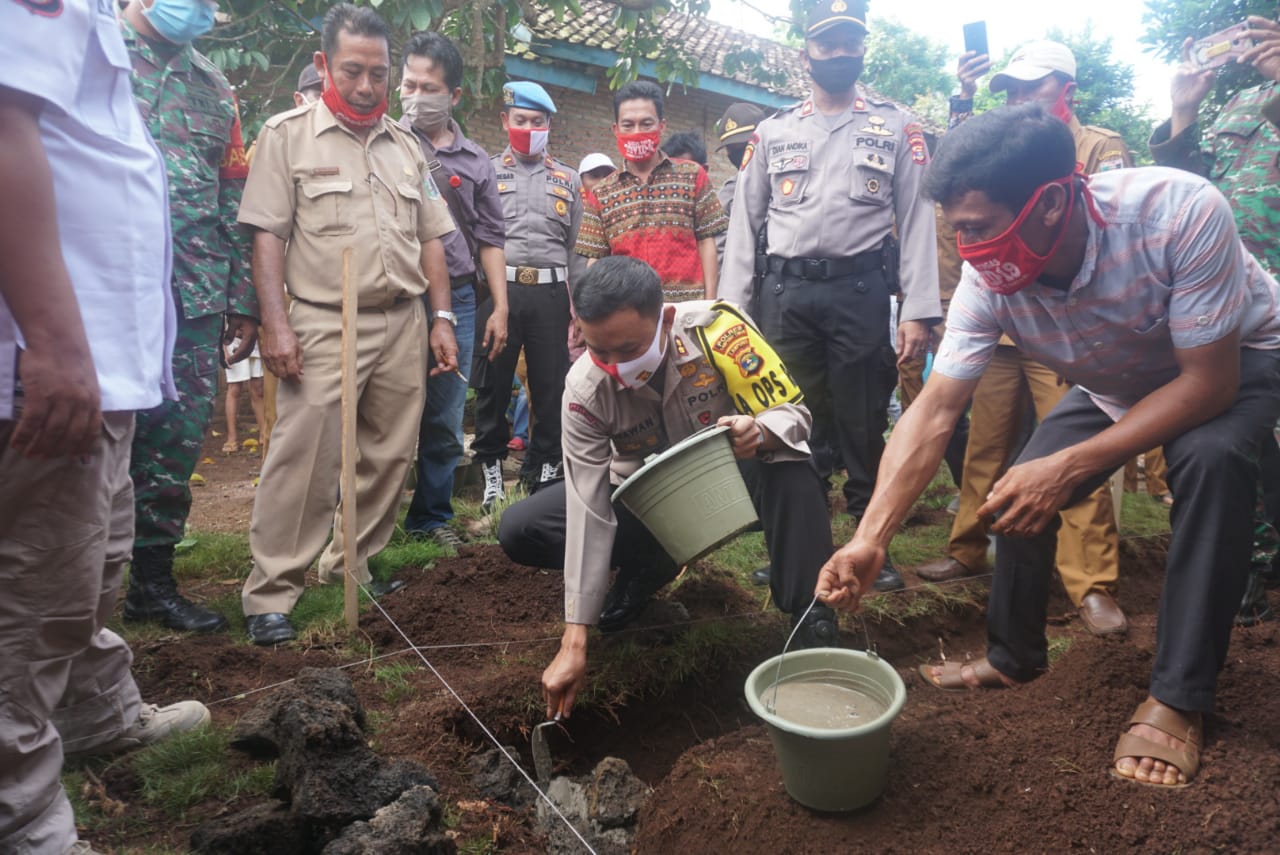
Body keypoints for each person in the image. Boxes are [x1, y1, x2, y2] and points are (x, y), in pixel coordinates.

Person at [818, 104, 1280, 789]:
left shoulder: (1179, 212)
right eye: (958, 232)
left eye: (977, 228)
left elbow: (1205, 385)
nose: (968, 251)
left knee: (1208, 462)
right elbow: (937, 407)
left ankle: (1180, 698)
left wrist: (1075, 463)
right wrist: (871, 535)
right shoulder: (987, 276)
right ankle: (1014, 654)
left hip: (1230, 366)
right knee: (1018, 485)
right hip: (1114, 382)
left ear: (1052, 201)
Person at [2, 2, 214, 850]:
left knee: (91, 558)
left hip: (104, 361)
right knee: (32, 589)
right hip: (53, 352)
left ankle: (95, 711)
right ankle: (22, 815)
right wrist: (51, 339)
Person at [499, 256, 835, 718]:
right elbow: (588, 507)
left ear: (667, 320)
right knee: (522, 526)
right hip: (645, 494)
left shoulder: (720, 331)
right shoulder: (583, 389)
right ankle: (650, 560)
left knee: (792, 460)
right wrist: (575, 638)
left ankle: (809, 622)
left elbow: (796, 417)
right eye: (600, 352)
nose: (615, 368)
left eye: (630, 348)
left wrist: (760, 431)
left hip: (736, 476)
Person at [237, 4, 457, 645]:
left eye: (379, 74)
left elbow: (432, 239)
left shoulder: (407, 145)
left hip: (401, 323)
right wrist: (276, 325)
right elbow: (268, 238)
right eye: (352, 71)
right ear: (323, 65)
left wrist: (440, 317)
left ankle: (349, 566)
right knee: (303, 459)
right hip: (323, 321)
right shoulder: (286, 136)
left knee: (389, 456)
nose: (366, 87)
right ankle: (272, 591)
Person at [719, 0, 940, 592]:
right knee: (790, 420)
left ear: (862, 48)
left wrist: (918, 309)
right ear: (807, 53)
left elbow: (917, 220)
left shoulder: (897, 126)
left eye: (849, 43)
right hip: (786, 294)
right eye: (828, 44)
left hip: (861, 290)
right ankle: (800, 548)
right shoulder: (773, 131)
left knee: (864, 420)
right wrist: (728, 311)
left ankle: (872, 548)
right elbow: (744, 223)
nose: (839, 53)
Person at [916, 40, 1130, 638]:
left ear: (1066, 89)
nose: (1015, 99)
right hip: (998, 319)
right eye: (1008, 90)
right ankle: (968, 548)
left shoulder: (1097, 147)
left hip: (1067, 326)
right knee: (984, 447)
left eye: (1030, 88)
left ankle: (1091, 584)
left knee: (1068, 457)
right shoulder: (989, 151)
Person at [116, 0, 260, 634]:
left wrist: (243, 299)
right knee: (87, 440)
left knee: (173, 443)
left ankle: (150, 584)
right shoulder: (95, 55)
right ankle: (64, 591)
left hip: (193, 295)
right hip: (105, 287)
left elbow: (233, 198)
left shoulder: (215, 87)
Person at [1150, 15, 1280, 622]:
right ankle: (1251, 565)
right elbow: (1186, 190)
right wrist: (1182, 112)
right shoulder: (1239, 106)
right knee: (1238, 441)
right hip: (1234, 308)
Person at [397, 30, 509, 546]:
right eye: (409, 83)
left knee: (444, 415)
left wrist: (499, 307)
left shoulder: (476, 160)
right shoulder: (385, 144)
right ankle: (359, 527)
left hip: (460, 300)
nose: (415, 95)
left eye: (429, 87)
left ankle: (432, 519)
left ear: (454, 95)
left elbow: (490, 240)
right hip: (394, 297)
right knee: (383, 414)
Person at [469, 81, 581, 511]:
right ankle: (492, 474)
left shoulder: (567, 180)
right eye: (521, 120)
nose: (529, 127)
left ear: (549, 124)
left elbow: (575, 251)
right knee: (493, 386)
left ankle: (542, 471)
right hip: (501, 293)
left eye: (537, 121)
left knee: (550, 386)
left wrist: (578, 310)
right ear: (505, 121)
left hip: (551, 295)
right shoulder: (487, 172)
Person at [575, 81, 728, 302]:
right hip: (626, 313)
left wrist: (710, 303)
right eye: (628, 125)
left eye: (646, 123)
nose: (637, 132)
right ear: (616, 129)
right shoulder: (601, 192)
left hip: (685, 313)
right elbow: (596, 260)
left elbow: (707, 242)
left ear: (661, 126)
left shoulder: (693, 176)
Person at [261, 63, 326, 460]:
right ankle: (270, 460)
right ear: (300, 99)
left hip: (325, 300)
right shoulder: (276, 140)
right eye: (317, 93)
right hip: (283, 298)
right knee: (281, 402)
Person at [711, 102, 766, 267]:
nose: (739, 155)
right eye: (731, 149)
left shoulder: (784, 184)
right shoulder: (728, 194)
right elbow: (718, 251)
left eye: (744, 146)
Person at [222, 340, 265, 453]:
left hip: (256, 341)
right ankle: (232, 438)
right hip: (234, 342)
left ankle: (264, 434)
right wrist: (223, 348)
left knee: (258, 388)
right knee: (234, 388)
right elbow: (220, 323)